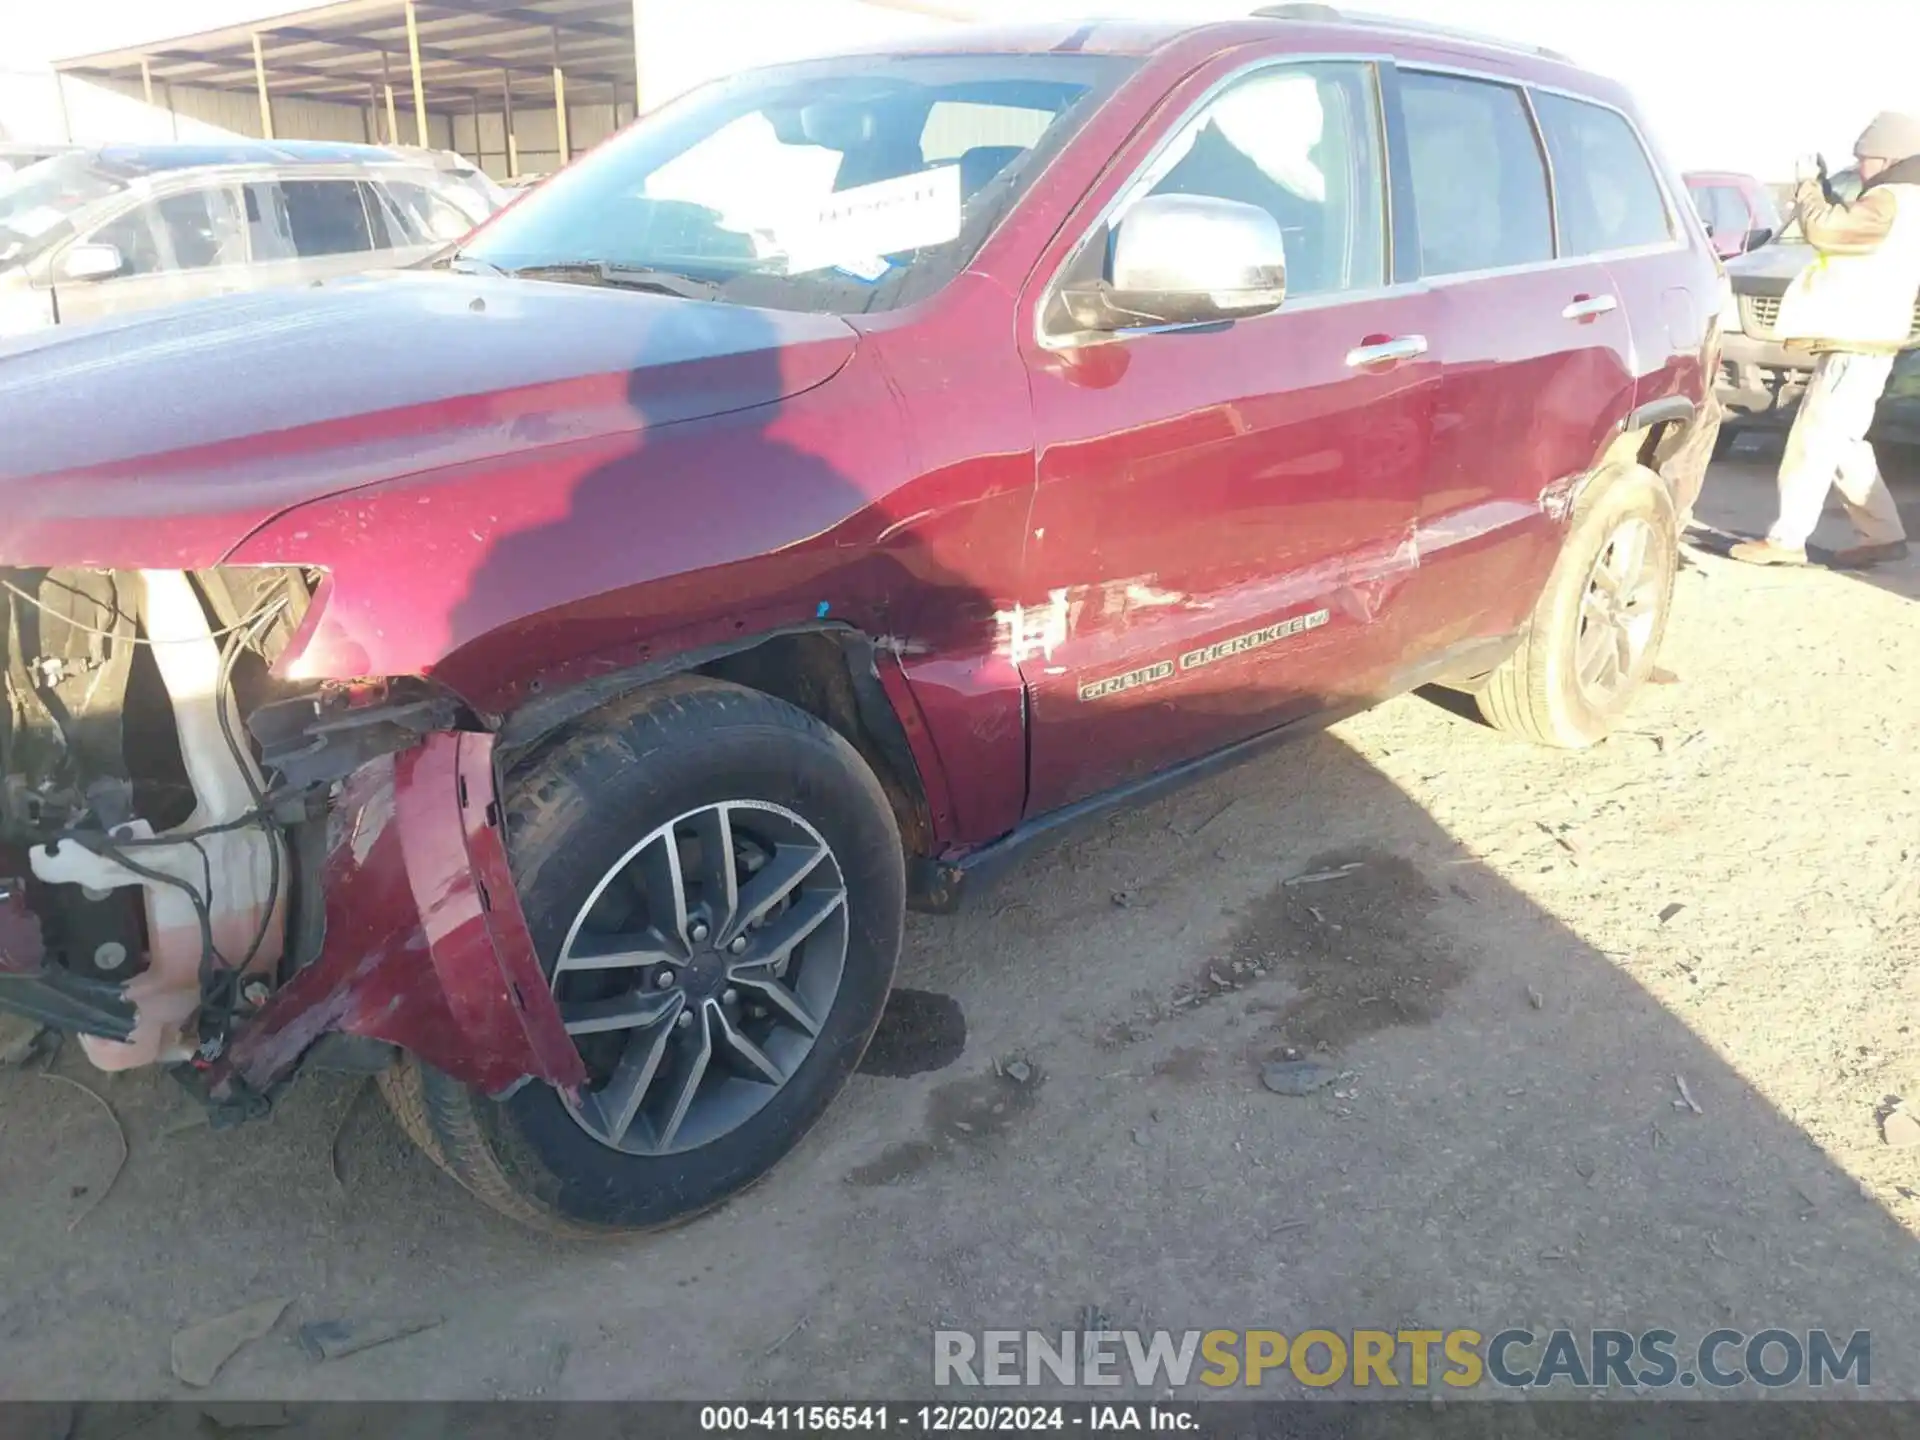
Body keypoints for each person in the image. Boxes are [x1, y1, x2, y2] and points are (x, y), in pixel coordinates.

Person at [1731, 112, 1920, 568]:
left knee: (1813, 438)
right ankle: (1883, 536)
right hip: (1872, 337)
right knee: (1844, 441)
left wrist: (1809, 188)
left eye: (1866, 159)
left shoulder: (1889, 200)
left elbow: (1827, 231)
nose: (1860, 168)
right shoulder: (1905, 199)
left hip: (1857, 339)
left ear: (1890, 157)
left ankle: (1786, 539)